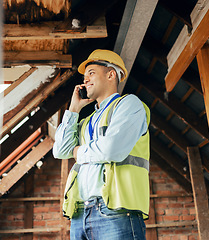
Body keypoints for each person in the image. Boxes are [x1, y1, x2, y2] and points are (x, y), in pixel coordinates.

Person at [53, 49, 150, 240]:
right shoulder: (86, 121)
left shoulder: (129, 105)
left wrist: (79, 152)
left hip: (116, 211)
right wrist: (73, 109)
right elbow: (61, 150)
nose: (85, 79)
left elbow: (112, 149)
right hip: (81, 213)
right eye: (84, 76)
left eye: (91, 73)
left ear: (111, 74)